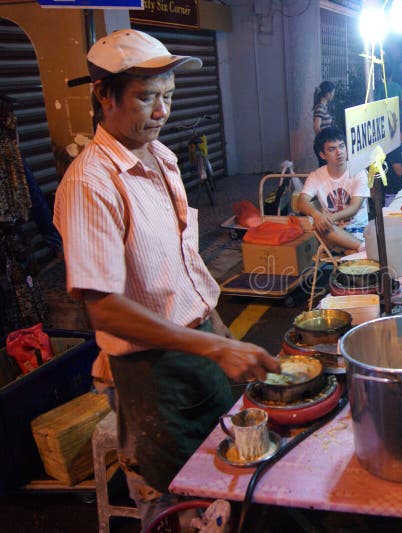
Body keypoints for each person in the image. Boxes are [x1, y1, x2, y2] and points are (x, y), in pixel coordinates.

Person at [53, 29, 279, 526]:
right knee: (178, 504)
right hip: (153, 376)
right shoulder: (92, 183)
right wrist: (213, 348)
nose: (161, 112)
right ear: (103, 96)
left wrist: (220, 334)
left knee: (231, 485)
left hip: (199, 349)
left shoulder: (161, 159)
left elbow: (183, 271)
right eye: (146, 97)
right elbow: (103, 307)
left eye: (169, 97)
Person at [297, 127, 369, 252]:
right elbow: (301, 201)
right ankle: (361, 248)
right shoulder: (316, 176)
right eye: (332, 149)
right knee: (320, 227)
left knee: (349, 254)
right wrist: (316, 214)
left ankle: (357, 247)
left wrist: (327, 219)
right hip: (331, 231)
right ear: (322, 155)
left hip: (359, 229)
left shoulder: (359, 171)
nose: (339, 152)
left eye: (341, 146)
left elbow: (354, 208)